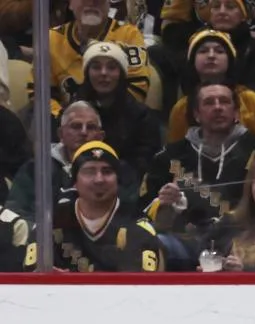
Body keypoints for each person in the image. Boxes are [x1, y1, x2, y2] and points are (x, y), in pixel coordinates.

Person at [142, 81, 255, 265]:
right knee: (149, 245)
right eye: (209, 102)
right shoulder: (169, 155)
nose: (218, 107)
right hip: (184, 242)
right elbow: (143, 215)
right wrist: (164, 204)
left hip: (243, 242)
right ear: (197, 114)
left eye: (224, 101)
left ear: (236, 112)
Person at [6, 101, 139, 221]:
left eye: (91, 127)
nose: (83, 132)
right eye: (76, 126)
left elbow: (129, 213)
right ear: (60, 134)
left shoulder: (119, 170)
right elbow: (17, 213)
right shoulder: (36, 168)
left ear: (101, 136)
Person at [166, 29, 255, 158]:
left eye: (219, 51)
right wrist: (185, 178)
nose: (211, 55)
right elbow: (174, 158)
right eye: (203, 51)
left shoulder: (250, 100)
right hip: (197, 175)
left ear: (230, 60)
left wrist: (251, 167)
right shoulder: (181, 108)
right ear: (192, 61)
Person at [50, 141, 163, 272]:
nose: (99, 179)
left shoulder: (138, 225)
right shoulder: (52, 223)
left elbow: (137, 287)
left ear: (117, 180)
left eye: (107, 171)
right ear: (74, 181)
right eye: (89, 172)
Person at [42, 0, 152, 115]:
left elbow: (137, 89)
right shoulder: (52, 38)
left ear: (109, 4)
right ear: (70, 4)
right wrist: (65, 118)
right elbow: (39, 94)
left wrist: (98, 119)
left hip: (117, 123)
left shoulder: (128, 35)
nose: (92, 2)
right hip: (64, 124)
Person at [71, 40, 161, 177]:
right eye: (96, 67)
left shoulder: (142, 117)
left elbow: (144, 163)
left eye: (111, 67)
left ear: (121, 74)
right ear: (87, 74)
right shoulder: (72, 113)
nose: (103, 73)